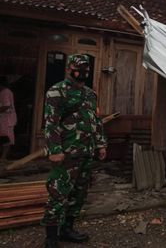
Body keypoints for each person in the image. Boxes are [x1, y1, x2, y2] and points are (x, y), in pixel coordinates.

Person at [42, 54, 107, 248]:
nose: (83, 71)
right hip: (66, 154)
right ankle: (51, 237)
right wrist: (54, 150)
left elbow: (96, 121)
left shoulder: (90, 94)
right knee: (58, 194)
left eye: (86, 68)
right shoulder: (57, 92)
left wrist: (101, 144)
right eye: (79, 67)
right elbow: (50, 124)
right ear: (69, 68)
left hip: (86, 152)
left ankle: (67, 229)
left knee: (79, 194)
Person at [0, 76, 16, 160]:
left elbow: (6, 105)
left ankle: (3, 158)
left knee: (6, 139)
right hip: (6, 119)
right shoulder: (5, 92)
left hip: (7, 120)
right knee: (4, 138)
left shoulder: (5, 92)